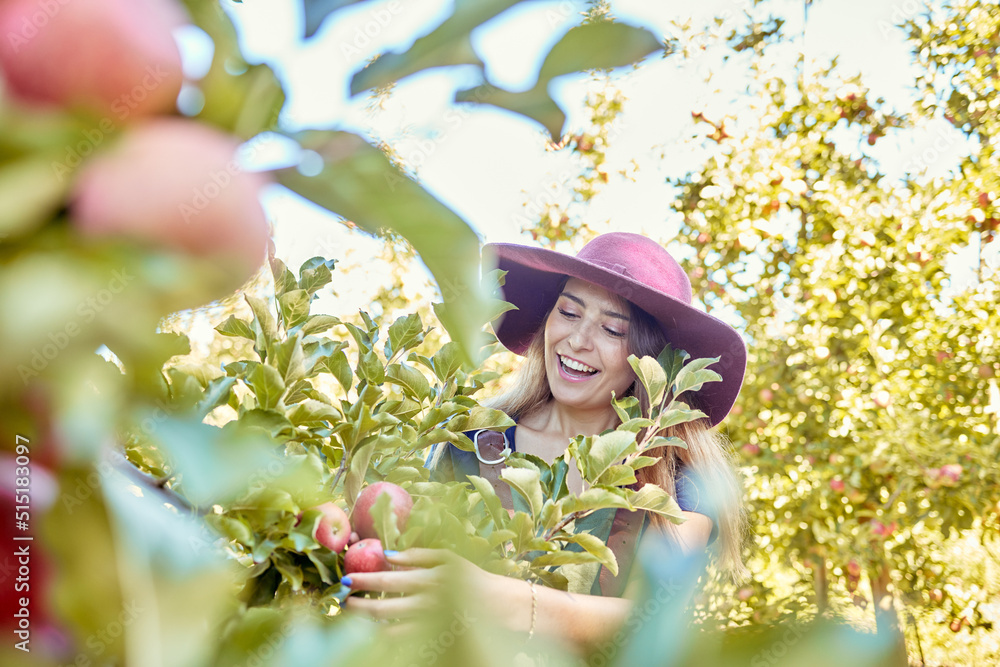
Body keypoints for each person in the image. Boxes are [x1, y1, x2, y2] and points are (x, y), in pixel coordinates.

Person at [342, 232, 748, 649]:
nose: (577, 341)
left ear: (648, 361)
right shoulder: (472, 443)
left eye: (611, 329)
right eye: (569, 313)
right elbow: (412, 574)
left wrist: (506, 601)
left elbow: (650, 616)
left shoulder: (672, 480)